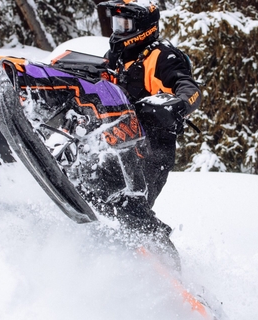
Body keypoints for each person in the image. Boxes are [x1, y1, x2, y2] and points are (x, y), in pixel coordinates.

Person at [97, 0, 202, 240]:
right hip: (115, 142)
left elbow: (188, 88)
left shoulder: (163, 56)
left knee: (131, 209)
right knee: (91, 183)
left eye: (125, 24)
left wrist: (179, 103)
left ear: (144, 26)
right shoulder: (116, 57)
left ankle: (160, 254)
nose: (119, 30)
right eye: (117, 23)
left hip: (152, 149)